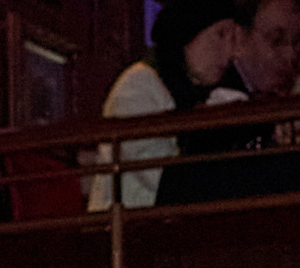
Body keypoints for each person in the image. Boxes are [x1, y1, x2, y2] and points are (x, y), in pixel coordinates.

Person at [94, 1, 287, 209]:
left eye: (232, 39)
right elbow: (162, 178)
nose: (230, 51)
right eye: (220, 35)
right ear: (189, 34)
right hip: (133, 223)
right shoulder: (139, 85)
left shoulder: (205, 91)